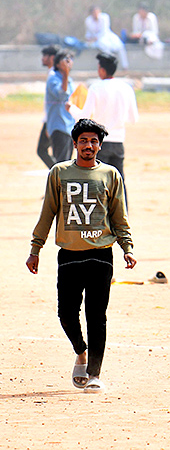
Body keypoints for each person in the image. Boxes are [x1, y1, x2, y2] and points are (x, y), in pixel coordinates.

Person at [26, 118, 136, 394]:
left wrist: (127, 247)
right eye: (84, 141)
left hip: (101, 254)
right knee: (66, 314)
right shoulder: (59, 173)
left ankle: (95, 373)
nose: (89, 146)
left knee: (96, 315)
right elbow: (48, 212)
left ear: (100, 146)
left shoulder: (111, 175)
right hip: (69, 255)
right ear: (74, 144)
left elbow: (119, 216)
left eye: (94, 141)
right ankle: (81, 351)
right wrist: (35, 249)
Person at [80, 52, 139, 183]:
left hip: (100, 141)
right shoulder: (126, 88)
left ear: (101, 69)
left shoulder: (95, 87)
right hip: (118, 141)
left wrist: (70, 108)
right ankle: (122, 204)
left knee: (99, 181)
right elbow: (133, 118)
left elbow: (84, 116)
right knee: (118, 181)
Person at [45, 49, 77, 164]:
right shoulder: (54, 78)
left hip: (69, 126)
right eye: (66, 59)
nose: (69, 62)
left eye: (70, 59)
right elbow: (61, 94)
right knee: (61, 163)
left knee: (68, 162)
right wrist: (65, 74)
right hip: (59, 125)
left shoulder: (69, 80)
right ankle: (57, 182)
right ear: (58, 63)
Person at [36, 45, 61, 169]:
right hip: (53, 119)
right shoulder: (54, 73)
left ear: (52, 58)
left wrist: (49, 122)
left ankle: (58, 173)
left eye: (45, 56)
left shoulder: (54, 75)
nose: (42, 59)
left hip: (52, 120)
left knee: (42, 150)